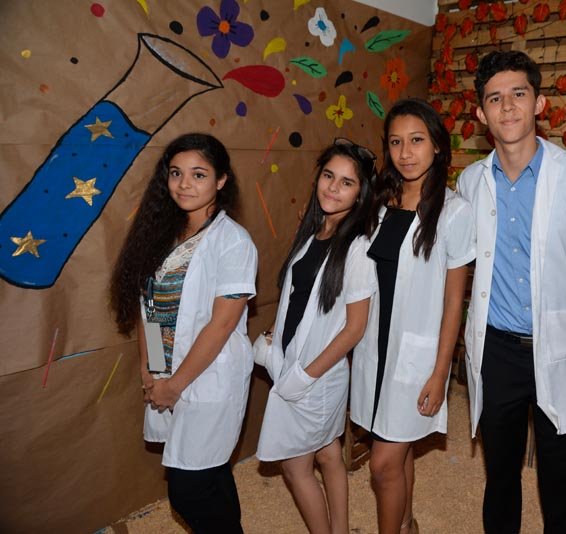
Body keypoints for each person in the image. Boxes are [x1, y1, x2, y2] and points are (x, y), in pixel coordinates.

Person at [457, 50, 566, 534]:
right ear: (481, 114)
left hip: (562, 348)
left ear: (539, 104)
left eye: (518, 94)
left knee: (560, 481)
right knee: (500, 476)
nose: (507, 107)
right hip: (496, 350)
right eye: (495, 99)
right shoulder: (470, 183)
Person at [109, 133, 257, 533]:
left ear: (221, 180)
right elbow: (151, 308)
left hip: (209, 376)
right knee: (211, 473)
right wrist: (152, 370)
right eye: (176, 173)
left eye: (198, 174)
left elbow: (223, 324)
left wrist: (175, 385)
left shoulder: (234, 242)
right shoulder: (161, 235)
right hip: (169, 374)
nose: (184, 184)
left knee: (187, 490)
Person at [350, 98, 476, 534]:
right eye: (396, 142)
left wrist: (441, 372)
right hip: (374, 345)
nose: (405, 153)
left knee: (382, 464)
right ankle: (405, 525)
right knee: (397, 448)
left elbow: (454, 301)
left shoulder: (455, 212)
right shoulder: (378, 202)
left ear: (437, 145)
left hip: (417, 356)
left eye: (417, 140)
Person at [256, 139, 378, 534]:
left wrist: (306, 375)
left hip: (318, 376)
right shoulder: (315, 231)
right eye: (329, 176)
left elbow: (355, 327)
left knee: (295, 468)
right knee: (327, 454)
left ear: (360, 194)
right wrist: (276, 333)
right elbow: (299, 297)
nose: (333, 188)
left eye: (346, 183)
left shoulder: (358, 247)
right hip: (298, 362)